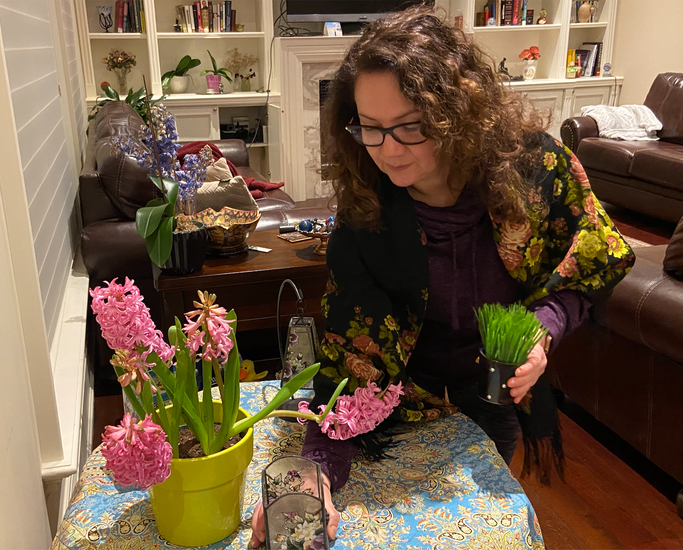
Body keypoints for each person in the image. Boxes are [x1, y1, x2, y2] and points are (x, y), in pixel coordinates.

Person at [249, 6, 634, 547]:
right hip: (397, 405)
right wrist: (314, 472)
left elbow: (596, 257)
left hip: (493, 394)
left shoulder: (535, 169)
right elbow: (347, 365)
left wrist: (542, 329)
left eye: (409, 126)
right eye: (370, 129)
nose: (387, 150)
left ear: (459, 111)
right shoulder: (367, 212)